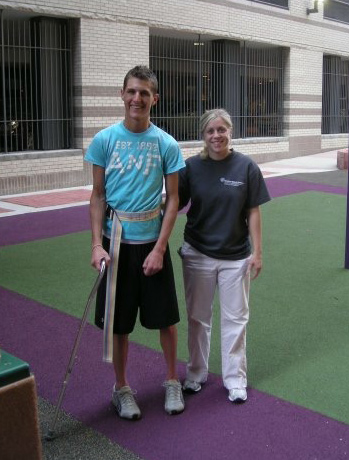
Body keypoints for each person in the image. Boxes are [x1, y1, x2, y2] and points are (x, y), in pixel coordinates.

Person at [85, 65, 185, 420]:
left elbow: (172, 199)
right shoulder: (104, 141)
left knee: (166, 321)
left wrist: (160, 248)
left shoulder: (166, 143)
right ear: (122, 94)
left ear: (154, 99)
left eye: (144, 93)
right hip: (116, 246)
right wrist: (97, 244)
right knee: (119, 323)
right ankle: (122, 389)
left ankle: (172, 380)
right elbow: (97, 196)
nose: (137, 99)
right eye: (131, 91)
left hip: (151, 243)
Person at [178, 108, 271, 403]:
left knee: (236, 319)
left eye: (221, 130)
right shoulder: (191, 168)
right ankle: (196, 373)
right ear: (203, 136)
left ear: (231, 132)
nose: (216, 136)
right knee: (197, 318)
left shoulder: (246, 167)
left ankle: (235, 379)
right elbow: (173, 204)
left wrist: (258, 252)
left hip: (235, 257)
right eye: (210, 131)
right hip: (198, 254)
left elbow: (253, 211)